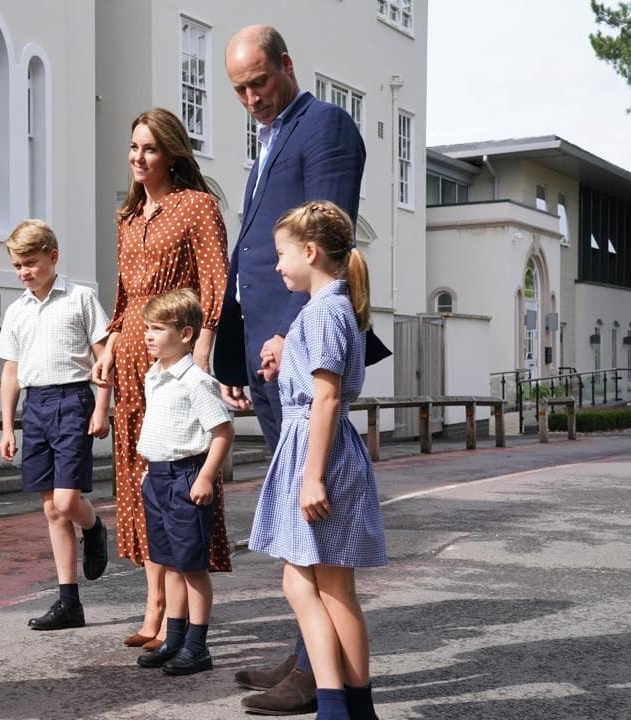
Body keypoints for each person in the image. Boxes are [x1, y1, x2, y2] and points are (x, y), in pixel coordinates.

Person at [211, 25, 379, 715]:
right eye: (240, 89)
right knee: (298, 536)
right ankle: (311, 656)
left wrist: (286, 332)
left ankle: (321, 677)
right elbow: (255, 249)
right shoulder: (267, 139)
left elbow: (325, 230)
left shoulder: (326, 126)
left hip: (297, 346)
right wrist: (234, 350)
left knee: (313, 526)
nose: (251, 97)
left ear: (286, 65)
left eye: (260, 81)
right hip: (267, 344)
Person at [91, 108, 232, 651]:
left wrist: (200, 356)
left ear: (172, 153)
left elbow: (214, 285)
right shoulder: (127, 218)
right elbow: (124, 299)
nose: (138, 158)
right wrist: (106, 352)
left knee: (179, 473)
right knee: (139, 484)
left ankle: (179, 617)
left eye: (149, 148)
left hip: (175, 360)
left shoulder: (196, 207)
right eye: (133, 147)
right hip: (129, 360)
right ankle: (153, 605)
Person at [249, 201, 387, 720]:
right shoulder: (325, 309)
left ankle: (342, 706)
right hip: (312, 448)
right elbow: (314, 387)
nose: (277, 265)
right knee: (312, 584)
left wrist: (312, 478)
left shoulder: (326, 310)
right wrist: (284, 362)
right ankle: (344, 704)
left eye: (281, 254)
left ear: (310, 252)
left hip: (318, 455)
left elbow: (326, 398)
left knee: (328, 587)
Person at [0, 219, 111, 630]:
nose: (25, 272)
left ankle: (94, 527)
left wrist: (101, 409)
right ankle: (69, 602)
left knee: (66, 502)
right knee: (51, 509)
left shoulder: (81, 298)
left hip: (74, 399)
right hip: (37, 405)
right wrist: (8, 427)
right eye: (17, 265)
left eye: (31, 262)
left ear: (52, 257)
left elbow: (103, 359)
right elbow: (11, 373)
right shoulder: (16, 310)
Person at [132, 289, 233, 676]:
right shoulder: (154, 375)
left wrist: (206, 476)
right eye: (148, 328)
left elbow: (223, 432)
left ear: (186, 334)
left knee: (192, 566)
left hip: (187, 479)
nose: (148, 336)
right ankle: (173, 640)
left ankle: (197, 646)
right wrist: (148, 470)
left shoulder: (196, 381)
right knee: (168, 563)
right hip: (157, 478)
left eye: (158, 329)